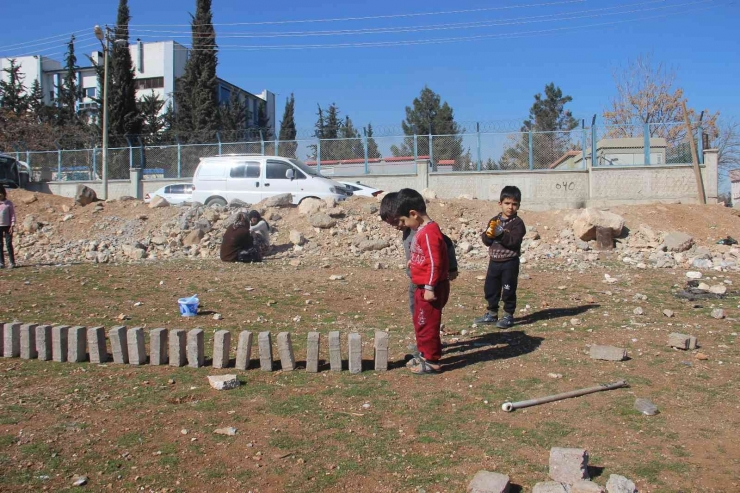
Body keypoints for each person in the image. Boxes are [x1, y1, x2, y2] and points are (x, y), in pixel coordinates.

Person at [394, 188, 449, 375]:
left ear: (413, 214)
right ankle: (424, 355)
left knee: (428, 324)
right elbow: (424, 256)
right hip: (422, 286)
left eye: (403, 221)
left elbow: (435, 262)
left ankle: (432, 361)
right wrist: (414, 261)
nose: (403, 225)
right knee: (421, 322)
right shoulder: (422, 231)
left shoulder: (429, 232)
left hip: (429, 288)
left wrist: (430, 287)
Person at [474, 186, 526, 329]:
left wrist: (501, 234)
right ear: (500, 203)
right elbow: (487, 241)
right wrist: (488, 235)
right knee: (490, 288)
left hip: (509, 262)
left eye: (514, 204)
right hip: (494, 261)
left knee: (508, 289)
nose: (510, 207)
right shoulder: (494, 220)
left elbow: (514, 241)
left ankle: (508, 315)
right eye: (507, 203)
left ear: (519, 205)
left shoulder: (518, 223)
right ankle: (491, 313)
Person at [0, 185, 16, 269]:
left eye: (1, 193)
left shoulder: (8, 203)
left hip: (7, 226)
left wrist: (12, 225)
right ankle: (1, 262)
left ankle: (12, 262)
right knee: (0, 244)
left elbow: (12, 215)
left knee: (8, 243)